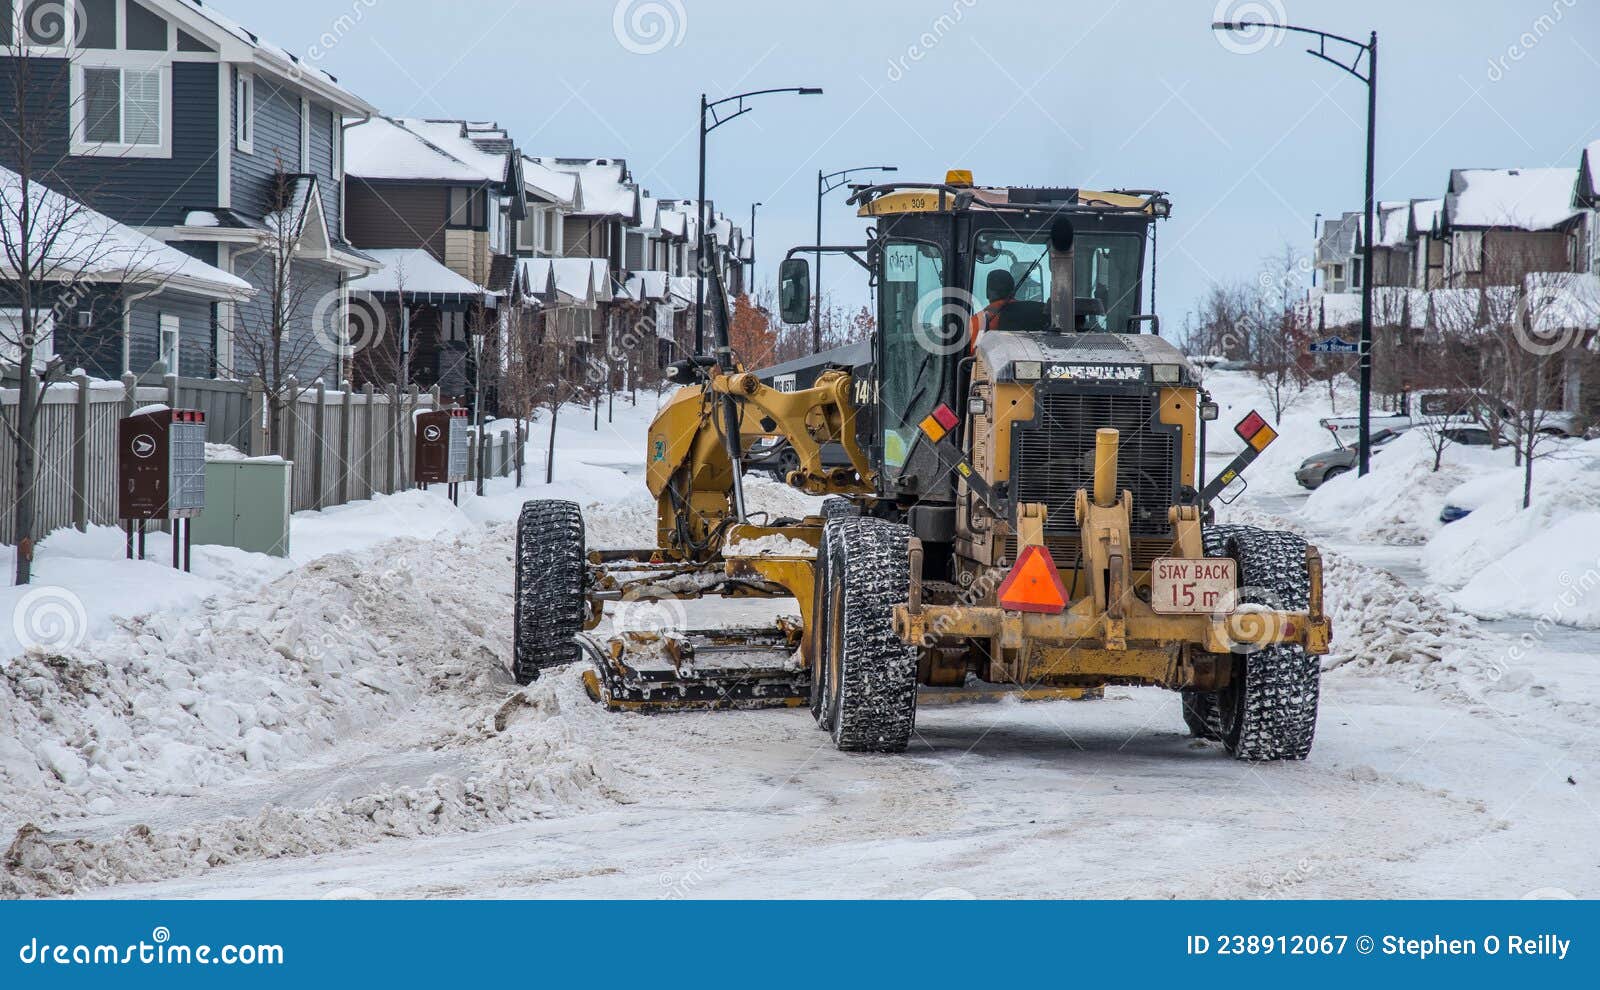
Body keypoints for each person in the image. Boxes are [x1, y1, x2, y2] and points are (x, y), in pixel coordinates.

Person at [969, 269, 1016, 353]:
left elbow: (973, 355)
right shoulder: (1033, 312)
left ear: (988, 292)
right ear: (1013, 291)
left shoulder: (978, 321)